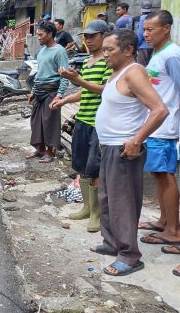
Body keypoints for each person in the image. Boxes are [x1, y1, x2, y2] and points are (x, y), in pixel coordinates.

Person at [72, 29, 168, 276]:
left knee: (123, 202)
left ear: (128, 50)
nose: (104, 55)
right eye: (103, 49)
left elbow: (159, 110)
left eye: (109, 50)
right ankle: (112, 242)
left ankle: (129, 255)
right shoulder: (117, 73)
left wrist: (137, 140)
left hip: (123, 148)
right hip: (108, 146)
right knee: (107, 198)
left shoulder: (134, 72)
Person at [52, 20, 111, 232]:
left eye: (93, 36)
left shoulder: (107, 61)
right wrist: (65, 101)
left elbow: (103, 90)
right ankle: (87, 208)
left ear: (105, 36)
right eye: (86, 36)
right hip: (83, 118)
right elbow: (85, 91)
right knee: (82, 165)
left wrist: (78, 80)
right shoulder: (87, 62)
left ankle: (96, 214)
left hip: (98, 122)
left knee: (95, 168)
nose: (88, 40)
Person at [137, 10, 180, 277]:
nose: (146, 34)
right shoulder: (158, 54)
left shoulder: (172, 55)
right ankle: (164, 220)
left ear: (167, 28)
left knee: (165, 177)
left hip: (165, 127)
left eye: (151, 29)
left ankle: (173, 231)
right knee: (157, 174)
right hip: (155, 126)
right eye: (145, 29)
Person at [27, 21, 69, 163]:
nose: (38, 37)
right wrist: (33, 91)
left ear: (50, 34)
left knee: (49, 122)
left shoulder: (60, 51)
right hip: (39, 90)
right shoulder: (42, 51)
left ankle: (50, 153)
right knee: (36, 121)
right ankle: (40, 150)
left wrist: (59, 95)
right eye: (37, 34)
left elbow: (64, 75)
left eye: (41, 34)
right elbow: (39, 73)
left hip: (52, 90)